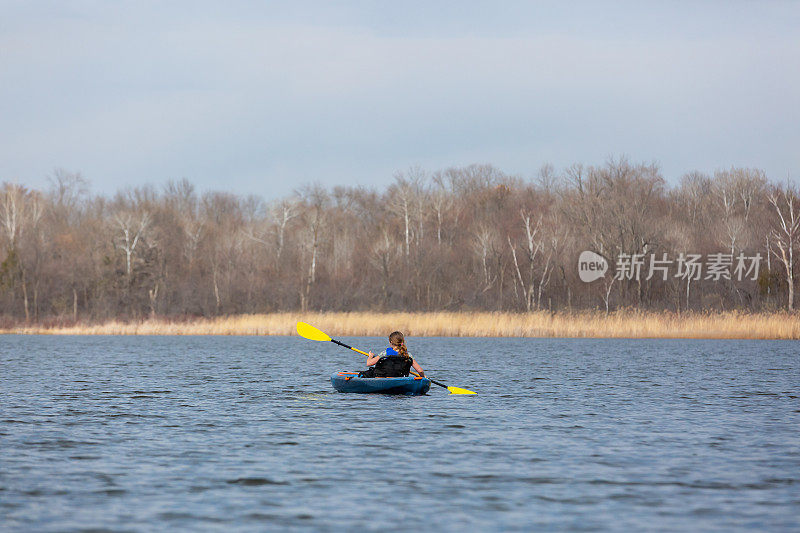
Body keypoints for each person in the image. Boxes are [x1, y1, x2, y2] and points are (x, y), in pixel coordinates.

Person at [359, 331, 425, 378]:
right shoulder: (407, 355)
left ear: (391, 342)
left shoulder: (385, 353)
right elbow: (420, 370)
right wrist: (422, 377)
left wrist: (370, 356)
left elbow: (369, 363)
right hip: (399, 378)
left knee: (366, 373)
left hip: (382, 378)